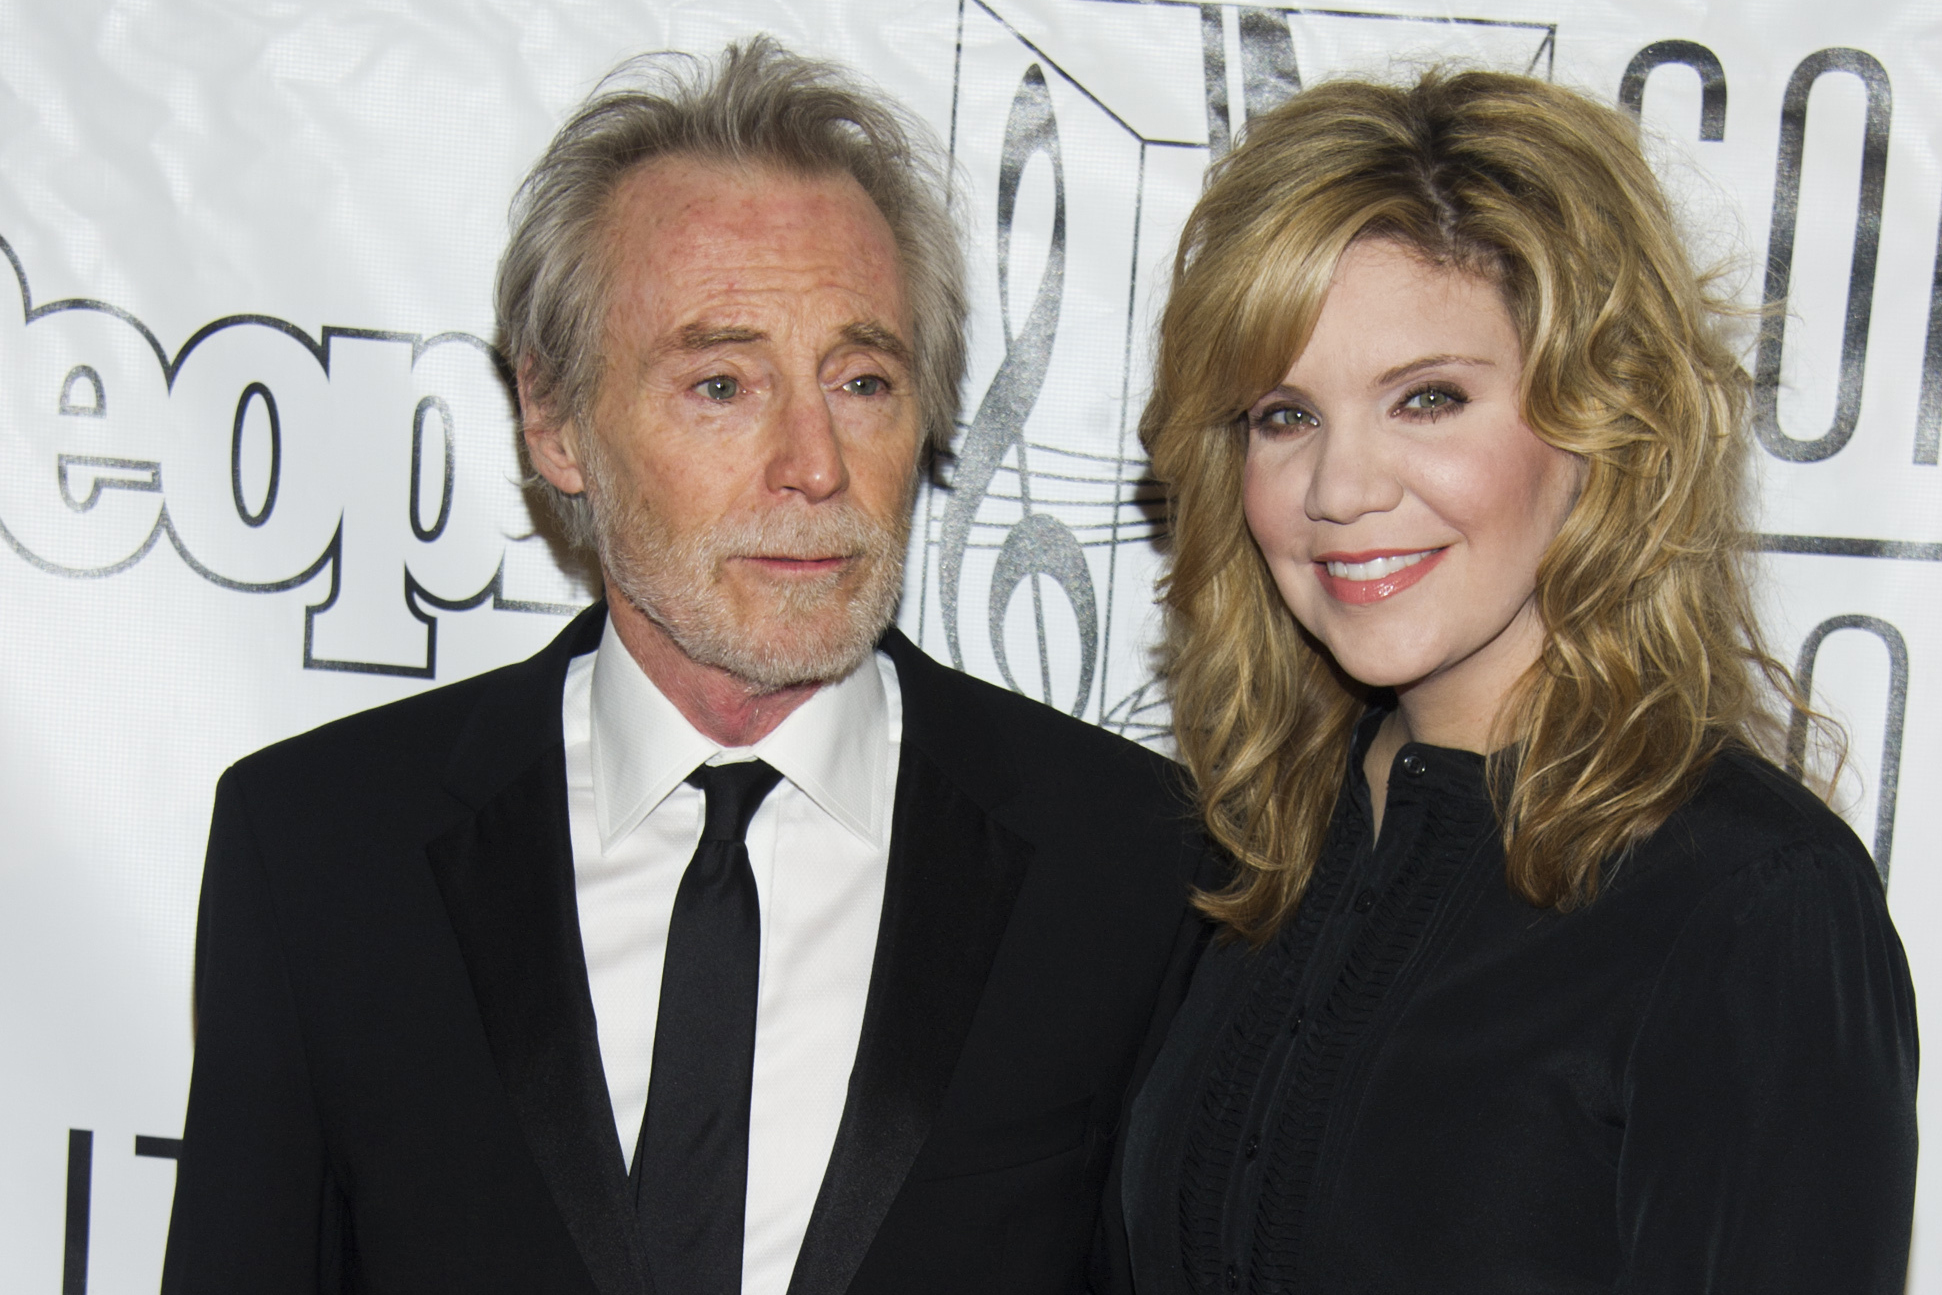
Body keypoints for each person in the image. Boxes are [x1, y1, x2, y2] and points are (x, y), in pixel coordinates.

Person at [161, 39, 1207, 1295]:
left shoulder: (1132, 863)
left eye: (862, 379)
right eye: (722, 382)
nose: (814, 464)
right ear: (554, 422)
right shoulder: (324, 851)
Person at [1108, 70, 1918, 1294]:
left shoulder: (1752, 904)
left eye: (1426, 398)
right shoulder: (1261, 846)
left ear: (1600, 418)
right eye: (1283, 414)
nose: (1340, 487)